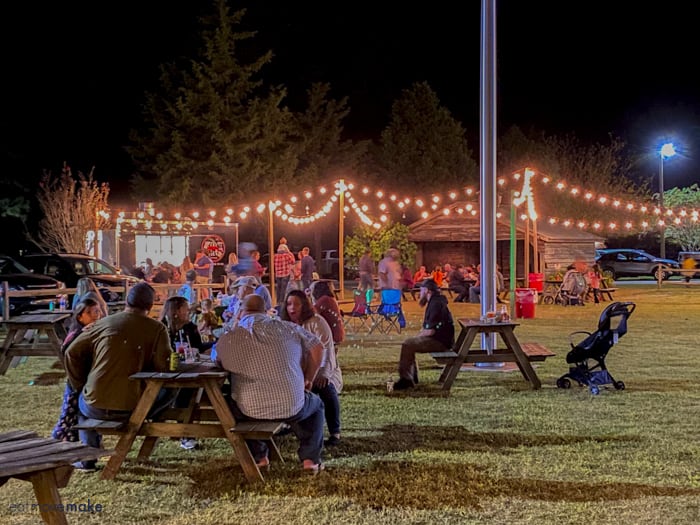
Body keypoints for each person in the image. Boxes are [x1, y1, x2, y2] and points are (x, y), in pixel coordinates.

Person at [65, 282, 173, 470]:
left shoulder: (103, 323)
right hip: (132, 407)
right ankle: (149, 415)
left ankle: (87, 458)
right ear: (150, 306)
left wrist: (80, 383)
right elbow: (164, 368)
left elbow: (71, 353)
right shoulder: (157, 329)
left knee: (82, 404)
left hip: (94, 404)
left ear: (127, 301)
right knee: (171, 391)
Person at [215, 294, 326, 474]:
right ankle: (310, 461)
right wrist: (309, 378)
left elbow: (217, 360)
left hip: (249, 409)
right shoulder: (288, 327)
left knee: (228, 405)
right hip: (291, 405)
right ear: (266, 310)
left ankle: (259, 457)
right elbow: (317, 347)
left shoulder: (230, 336)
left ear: (241, 311)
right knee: (316, 406)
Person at [281, 290, 343, 447]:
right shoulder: (285, 325)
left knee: (326, 388)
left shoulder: (316, 322)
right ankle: (289, 424)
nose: (292, 308)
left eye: (296, 304)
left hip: (322, 370)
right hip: (298, 372)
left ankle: (335, 432)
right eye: (289, 304)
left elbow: (327, 351)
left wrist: (323, 374)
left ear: (304, 305)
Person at [51, 298, 104, 442]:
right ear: (80, 316)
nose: (95, 315)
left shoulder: (98, 331)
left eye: (97, 311)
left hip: (90, 380)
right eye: (89, 312)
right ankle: (59, 438)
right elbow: (69, 355)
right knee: (70, 414)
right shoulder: (76, 335)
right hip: (77, 381)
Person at [393, 278, 455, 390]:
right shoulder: (435, 302)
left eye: (421, 291)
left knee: (408, 344)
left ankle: (406, 380)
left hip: (440, 342)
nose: (419, 294)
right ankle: (411, 378)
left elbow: (430, 331)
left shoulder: (435, 304)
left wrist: (416, 337)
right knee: (410, 343)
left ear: (427, 291)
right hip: (442, 339)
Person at [309, 280, 345, 349]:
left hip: (333, 335)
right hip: (333, 333)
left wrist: (308, 298)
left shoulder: (325, 300)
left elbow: (311, 312)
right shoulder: (329, 299)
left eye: (311, 290)